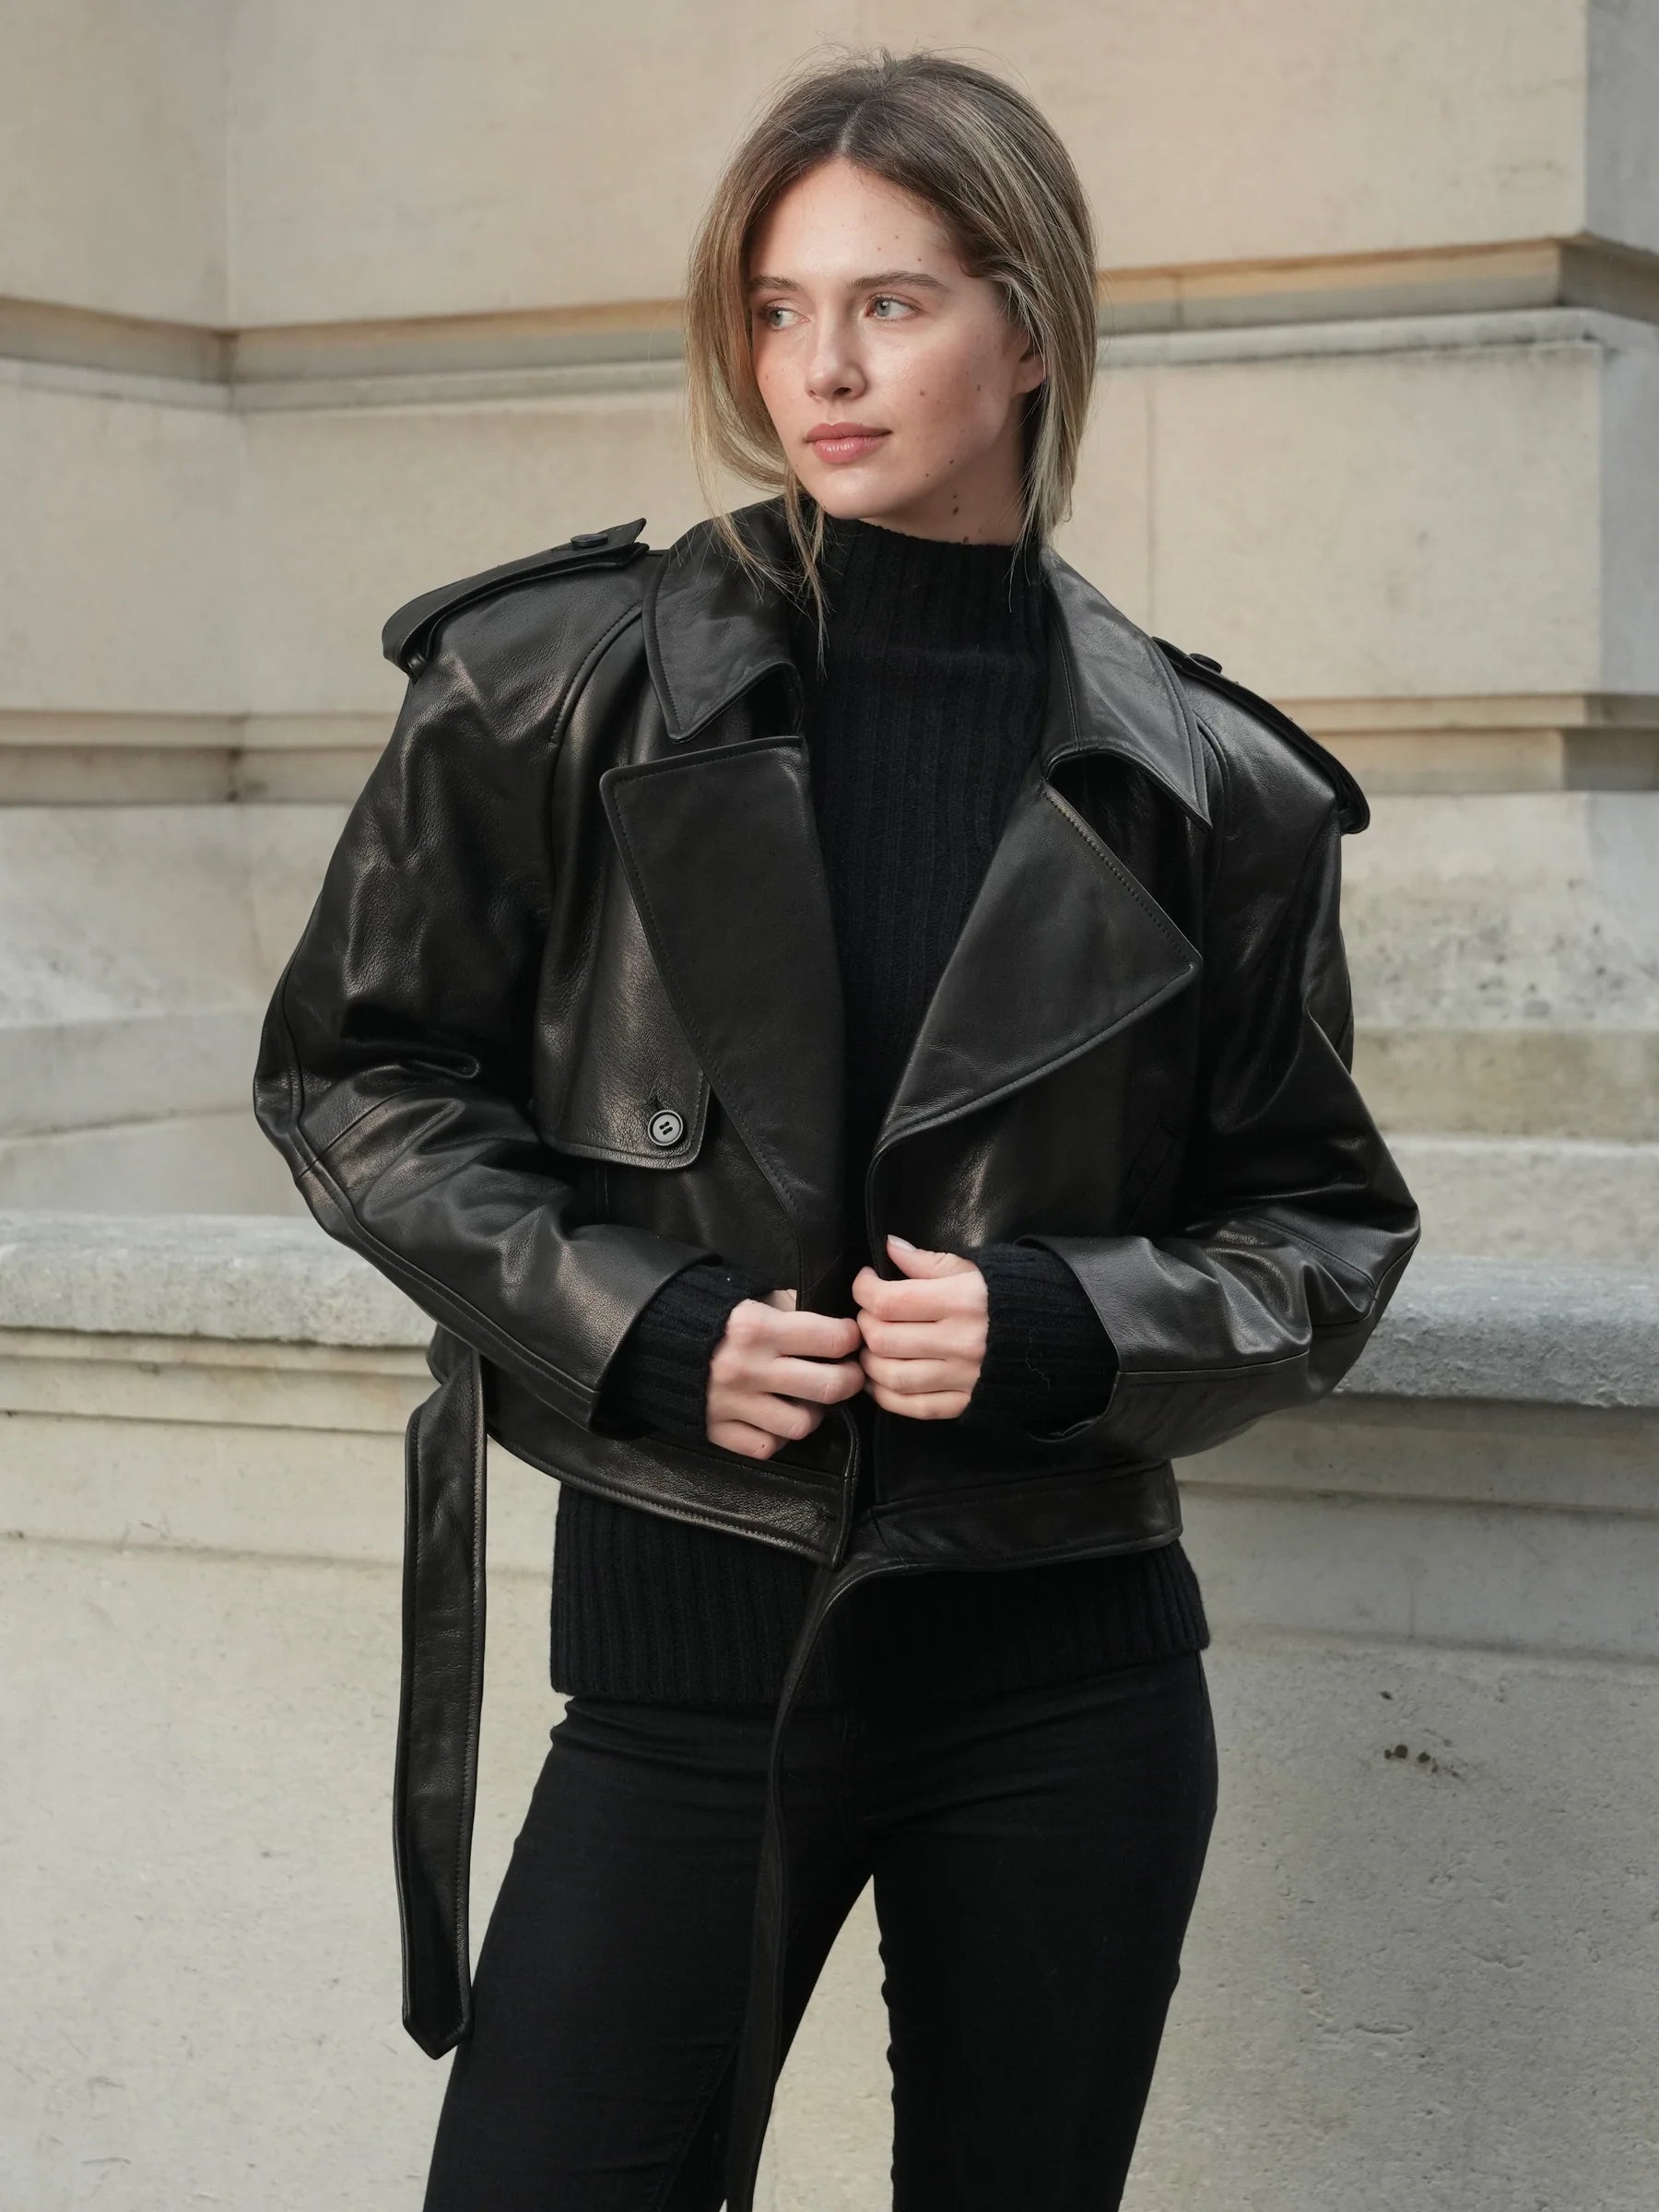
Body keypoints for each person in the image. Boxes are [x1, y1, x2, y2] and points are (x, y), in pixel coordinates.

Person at [252, 45, 1420, 2212]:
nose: (823, 368)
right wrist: (637, 1323)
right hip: (683, 1667)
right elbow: (355, 1076)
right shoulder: (552, 682)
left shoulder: (1217, 788)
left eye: (891, 302)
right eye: (780, 309)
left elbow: (1319, 1229)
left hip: (1067, 1681)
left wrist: (1067, 1324)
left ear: (1031, 329)